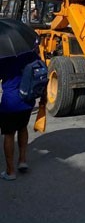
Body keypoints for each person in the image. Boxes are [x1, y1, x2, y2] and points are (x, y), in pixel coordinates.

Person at [0, 50, 41, 180]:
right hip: (28, 99)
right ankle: (22, 160)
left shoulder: (3, 55)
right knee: (23, 127)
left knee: (9, 134)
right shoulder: (29, 52)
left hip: (10, 101)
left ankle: (10, 171)